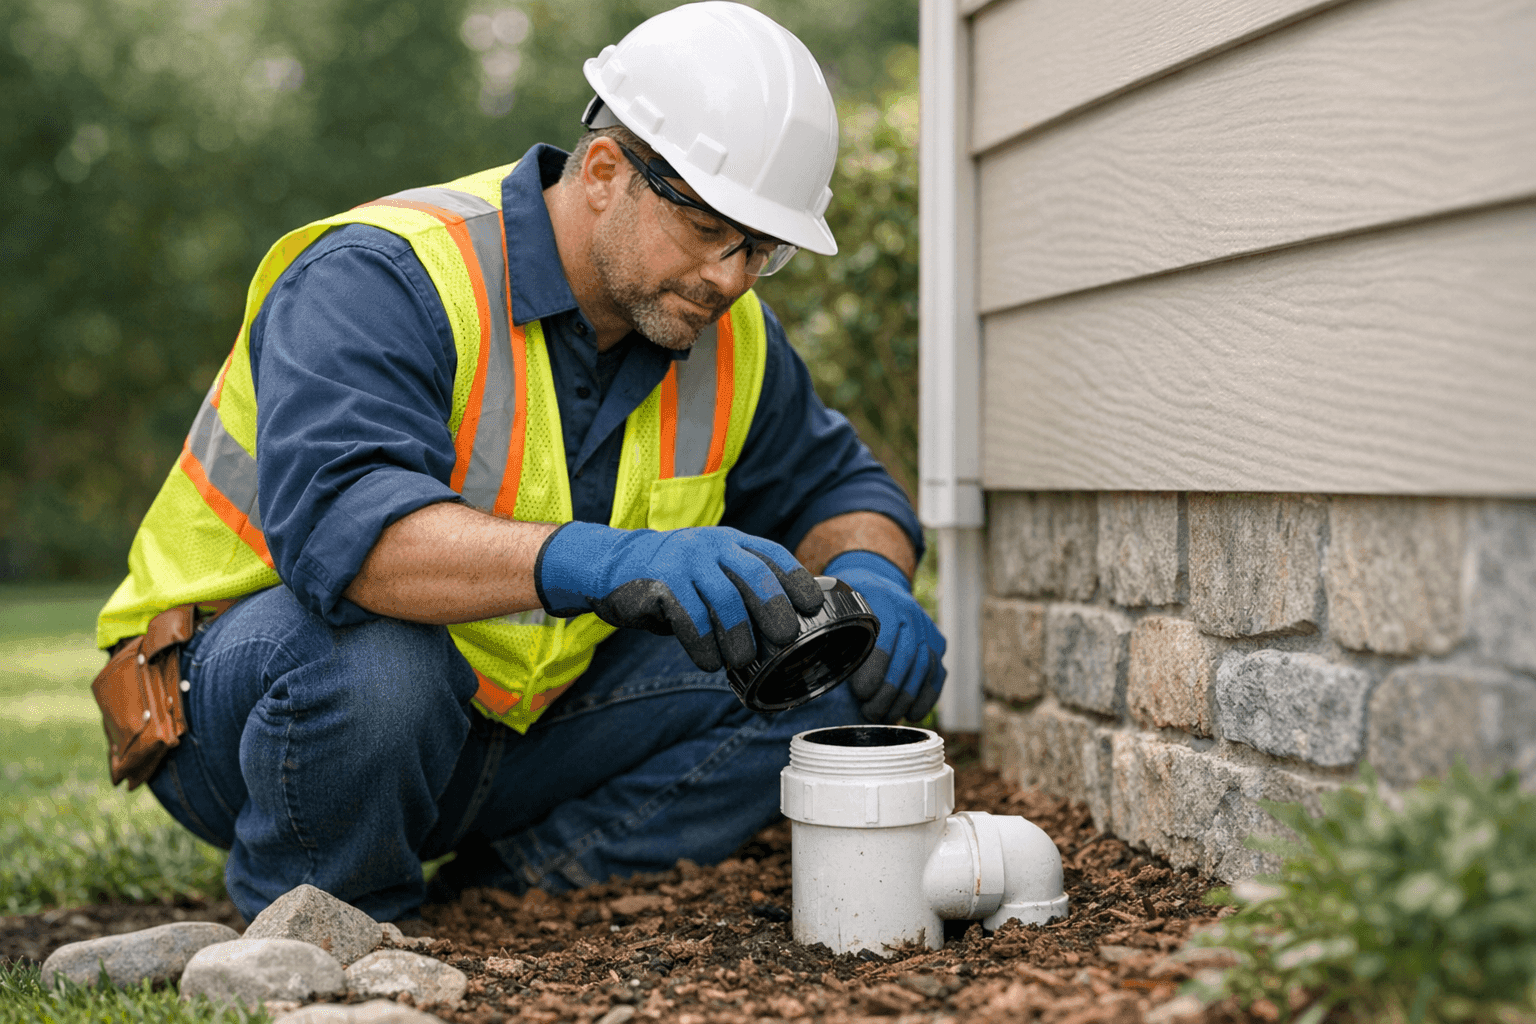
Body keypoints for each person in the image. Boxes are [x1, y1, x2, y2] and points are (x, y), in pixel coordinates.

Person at [95, 1, 945, 924]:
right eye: (712, 229)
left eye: (763, 247)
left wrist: (869, 572)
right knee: (381, 662)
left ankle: (506, 900)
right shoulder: (383, 276)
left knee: (815, 672)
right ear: (607, 172)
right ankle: (324, 923)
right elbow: (349, 534)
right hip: (251, 711)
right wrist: (611, 563)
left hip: (506, 729)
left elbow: (841, 487)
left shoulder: (728, 336)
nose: (733, 276)